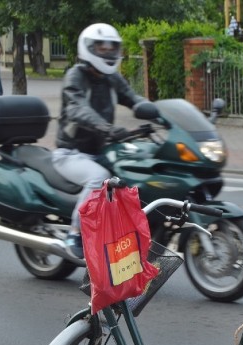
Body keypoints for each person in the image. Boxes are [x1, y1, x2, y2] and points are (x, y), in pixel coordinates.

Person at [51, 23, 149, 258]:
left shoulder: (111, 77)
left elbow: (132, 98)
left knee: (135, 169)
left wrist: (155, 112)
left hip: (102, 149)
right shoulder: (75, 76)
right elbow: (78, 110)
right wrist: (107, 128)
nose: (107, 52)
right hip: (71, 153)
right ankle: (75, 232)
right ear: (88, 48)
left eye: (111, 48)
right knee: (99, 178)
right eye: (101, 47)